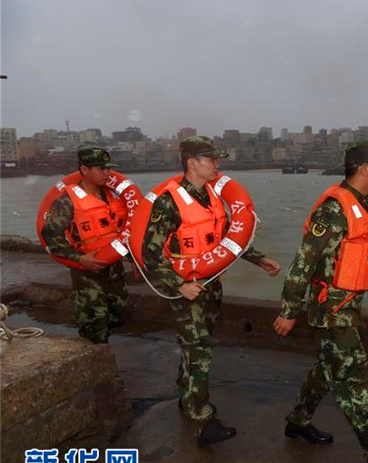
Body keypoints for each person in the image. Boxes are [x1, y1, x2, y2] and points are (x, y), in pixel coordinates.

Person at [273, 141, 368, 463]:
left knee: (326, 369)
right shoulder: (333, 210)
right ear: (365, 169)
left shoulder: (362, 207)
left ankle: (298, 421)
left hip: (347, 306)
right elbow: (303, 262)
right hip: (332, 310)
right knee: (355, 376)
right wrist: (289, 310)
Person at [141, 136, 281, 446]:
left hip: (211, 284)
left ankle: (188, 396)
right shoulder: (170, 201)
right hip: (186, 288)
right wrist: (179, 284)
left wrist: (258, 259)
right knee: (200, 348)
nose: (218, 165)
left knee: (196, 346)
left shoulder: (213, 197)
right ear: (193, 163)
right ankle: (202, 419)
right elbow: (150, 254)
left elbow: (226, 238)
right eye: (212, 159)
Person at [40, 146, 130, 344]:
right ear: (84, 169)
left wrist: (135, 260)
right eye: (101, 168)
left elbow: (126, 230)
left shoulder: (113, 196)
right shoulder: (66, 201)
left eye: (108, 168)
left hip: (115, 270)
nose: (107, 172)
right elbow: (50, 235)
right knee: (94, 324)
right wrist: (78, 258)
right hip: (88, 273)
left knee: (119, 315)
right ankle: (95, 355)